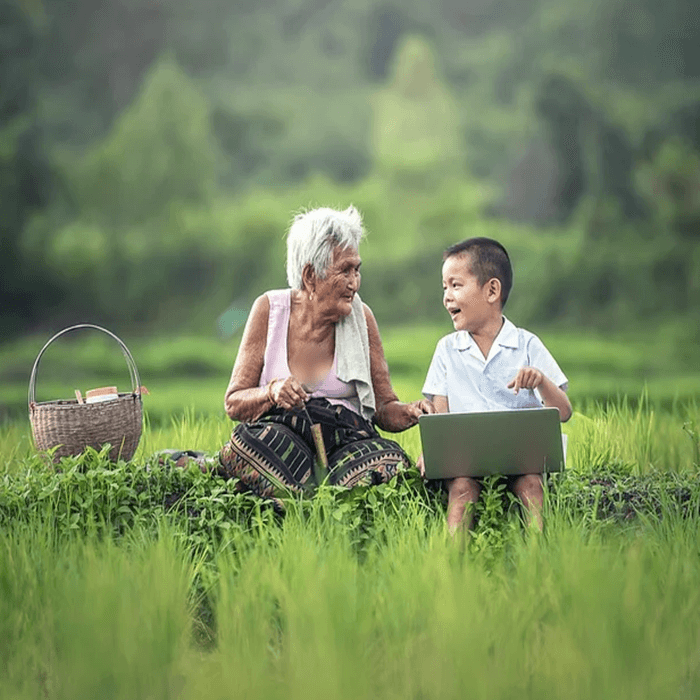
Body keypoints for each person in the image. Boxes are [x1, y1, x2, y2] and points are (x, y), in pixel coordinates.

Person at [218, 205, 434, 508]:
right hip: (284, 440)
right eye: (344, 270)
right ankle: (318, 500)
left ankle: (299, 500)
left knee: (392, 462)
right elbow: (234, 402)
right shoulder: (269, 311)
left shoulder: (363, 319)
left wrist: (412, 412)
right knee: (248, 443)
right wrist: (272, 391)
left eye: (357, 270)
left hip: (345, 440)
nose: (354, 282)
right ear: (310, 275)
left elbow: (384, 408)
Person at [419, 237, 571, 533]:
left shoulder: (527, 344)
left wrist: (540, 381)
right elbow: (440, 414)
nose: (447, 297)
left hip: (523, 460)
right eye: (444, 287)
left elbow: (563, 411)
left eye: (456, 285)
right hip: (465, 462)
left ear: (491, 290)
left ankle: (539, 556)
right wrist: (432, 450)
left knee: (531, 486)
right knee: (461, 491)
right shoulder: (447, 349)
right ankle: (451, 565)